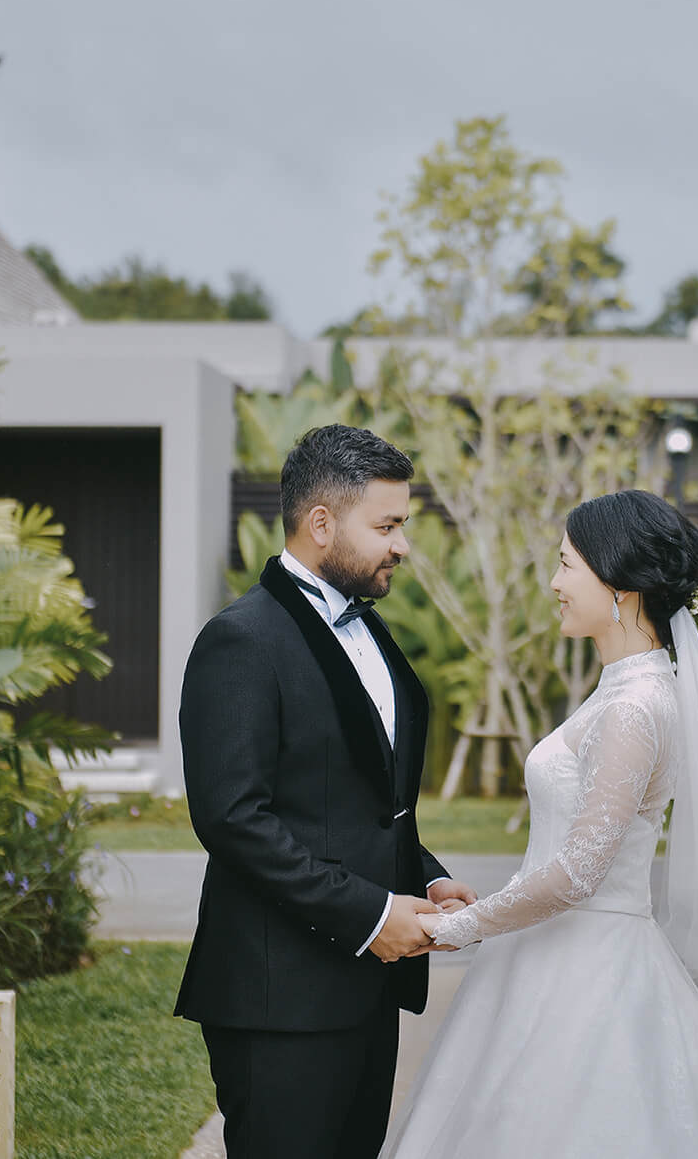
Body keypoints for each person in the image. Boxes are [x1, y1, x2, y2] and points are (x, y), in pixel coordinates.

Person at [382, 489, 698, 1159]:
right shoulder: (627, 690)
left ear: (619, 584)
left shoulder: (635, 706)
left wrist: (452, 930)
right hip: (550, 952)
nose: (554, 583)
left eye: (567, 565)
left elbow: (576, 875)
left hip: (587, 970)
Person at [174, 425, 478, 1159]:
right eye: (388, 525)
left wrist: (426, 877)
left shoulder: (372, 633)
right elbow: (233, 818)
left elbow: (364, 801)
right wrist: (373, 915)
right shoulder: (240, 641)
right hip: (281, 1000)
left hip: (366, 995)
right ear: (320, 524)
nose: (402, 545)